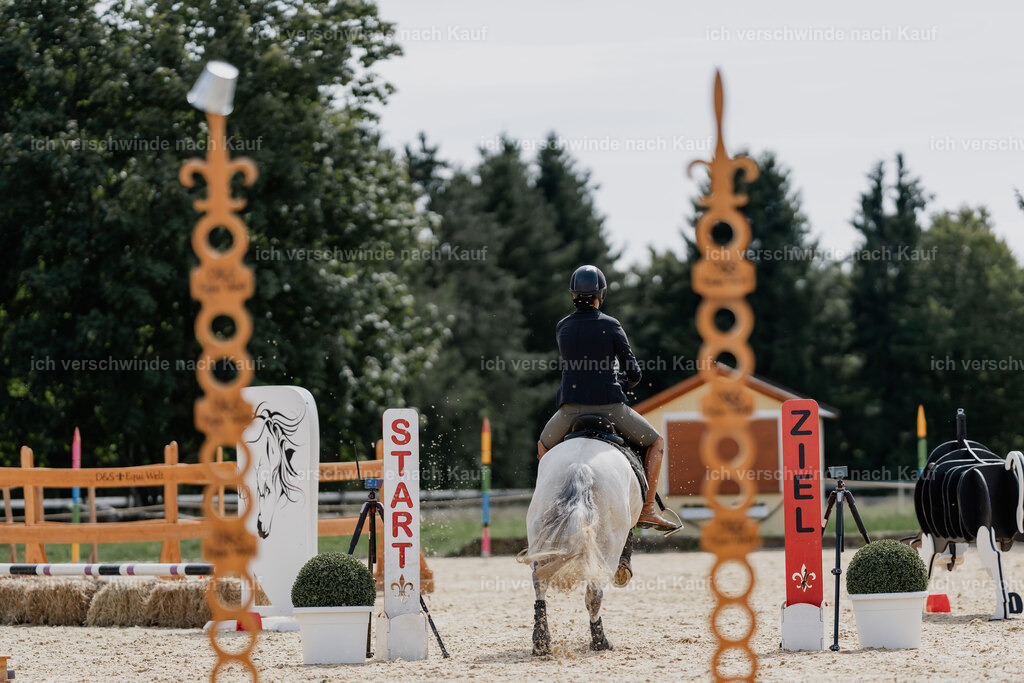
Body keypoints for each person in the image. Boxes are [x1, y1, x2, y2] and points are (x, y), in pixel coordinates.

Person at [537, 265, 679, 532]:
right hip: (610, 407)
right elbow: (634, 372)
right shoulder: (611, 325)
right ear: (601, 293)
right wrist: (621, 383)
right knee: (656, 443)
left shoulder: (562, 327)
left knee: (543, 448)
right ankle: (648, 509)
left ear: (572, 295)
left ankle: (552, 506)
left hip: (569, 410)